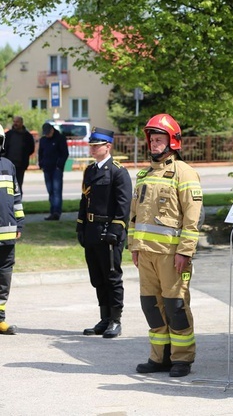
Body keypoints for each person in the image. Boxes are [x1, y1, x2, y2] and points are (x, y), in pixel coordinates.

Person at [128, 114, 202, 377]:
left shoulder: (184, 173)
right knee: (152, 306)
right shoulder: (145, 174)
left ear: (172, 142)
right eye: (152, 139)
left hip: (172, 256)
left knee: (176, 307)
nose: (154, 144)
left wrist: (185, 251)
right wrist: (134, 246)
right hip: (146, 254)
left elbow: (192, 218)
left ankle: (182, 359)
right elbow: (135, 215)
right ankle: (159, 357)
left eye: (159, 139)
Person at [76, 127, 132, 339]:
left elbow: (123, 206)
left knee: (112, 277)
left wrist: (115, 230)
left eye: (96, 145)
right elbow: (84, 200)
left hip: (109, 231)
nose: (92, 149)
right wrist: (80, 226)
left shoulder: (118, 172)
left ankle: (116, 320)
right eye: (91, 145)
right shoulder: (90, 170)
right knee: (97, 277)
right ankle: (105, 318)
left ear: (107, 146)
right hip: (92, 230)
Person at [0, 126, 24, 335]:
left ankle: (0, 319)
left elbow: (16, 197)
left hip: (7, 235)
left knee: (4, 277)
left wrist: (20, 223)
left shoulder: (8, 166)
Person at [37, 122, 69, 221]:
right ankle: (52, 211)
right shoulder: (43, 140)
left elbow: (64, 153)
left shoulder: (60, 138)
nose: (47, 135)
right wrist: (41, 164)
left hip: (56, 169)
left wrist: (59, 165)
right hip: (47, 168)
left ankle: (56, 212)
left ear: (52, 130)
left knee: (56, 190)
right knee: (50, 190)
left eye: (48, 133)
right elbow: (40, 153)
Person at [2, 116, 35, 193]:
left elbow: (31, 149)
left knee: (18, 185)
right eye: (14, 121)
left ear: (21, 123)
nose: (15, 123)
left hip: (21, 165)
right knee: (8, 185)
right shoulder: (8, 135)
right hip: (8, 165)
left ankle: (17, 202)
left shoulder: (27, 136)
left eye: (17, 122)